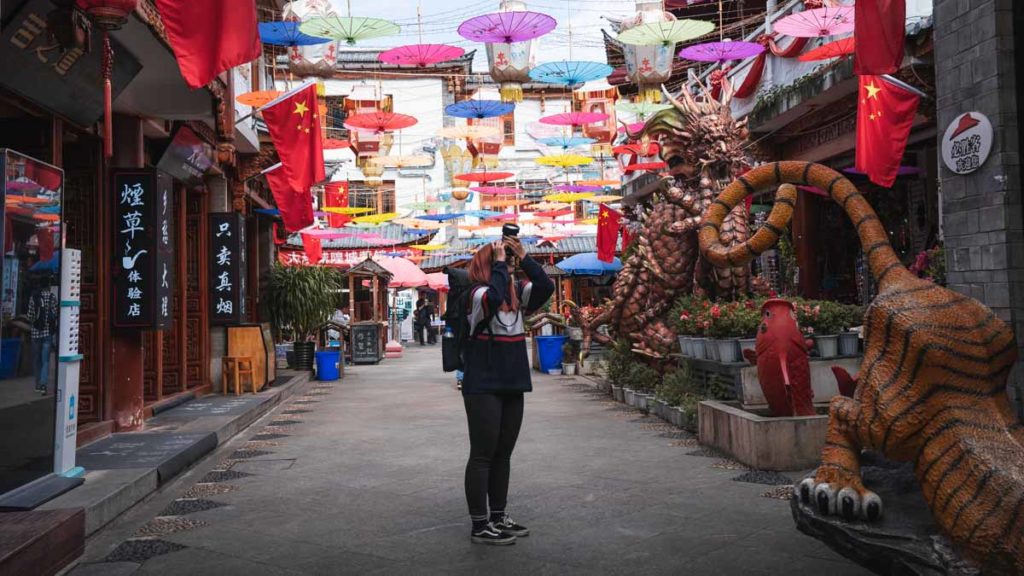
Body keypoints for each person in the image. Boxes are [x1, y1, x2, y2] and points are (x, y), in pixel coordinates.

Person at [461, 236, 554, 545]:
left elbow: (545, 286)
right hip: (483, 384)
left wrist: (524, 257)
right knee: (483, 455)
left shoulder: (516, 297)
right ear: (487, 266)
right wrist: (501, 262)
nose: (509, 266)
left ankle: (498, 517)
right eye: (500, 261)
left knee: (503, 454)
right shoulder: (476, 294)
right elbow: (492, 296)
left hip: (513, 382)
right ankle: (480, 525)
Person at [26, 277, 57, 394]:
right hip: (47, 332)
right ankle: (43, 385)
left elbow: (30, 316)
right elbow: (55, 314)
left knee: (36, 359)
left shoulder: (33, 298)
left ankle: (37, 384)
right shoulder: (52, 297)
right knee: (45, 361)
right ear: (48, 285)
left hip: (35, 333)